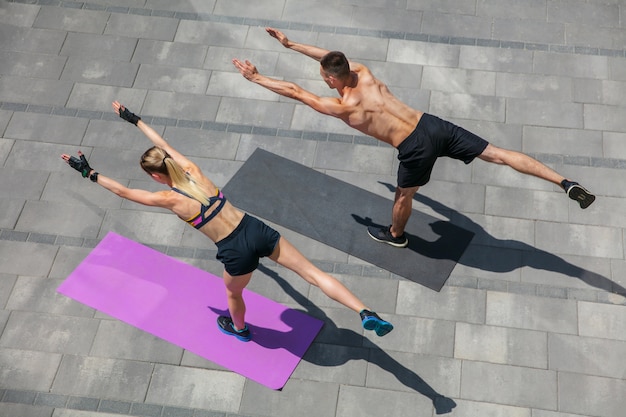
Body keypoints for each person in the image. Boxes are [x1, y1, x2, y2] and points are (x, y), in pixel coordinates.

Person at [233, 27, 596, 248]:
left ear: (330, 79)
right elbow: (330, 59)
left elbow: (296, 91)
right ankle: (564, 182)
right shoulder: (363, 72)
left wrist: (256, 78)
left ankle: (396, 235)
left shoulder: (343, 107)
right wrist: (291, 44)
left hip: (413, 148)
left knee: (404, 195)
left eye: (325, 75)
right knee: (496, 153)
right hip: (432, 124)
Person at [60, 101, 393, 342]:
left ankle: (239, 329)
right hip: (254, 228)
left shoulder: (169, 198)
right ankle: (365, 312)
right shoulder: (193, 172)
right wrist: (132, 119)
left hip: (235, 249)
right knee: (313, 274)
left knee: (233, 294)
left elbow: (122, 192)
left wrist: (88, 172)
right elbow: (162, 145)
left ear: (154, 176)